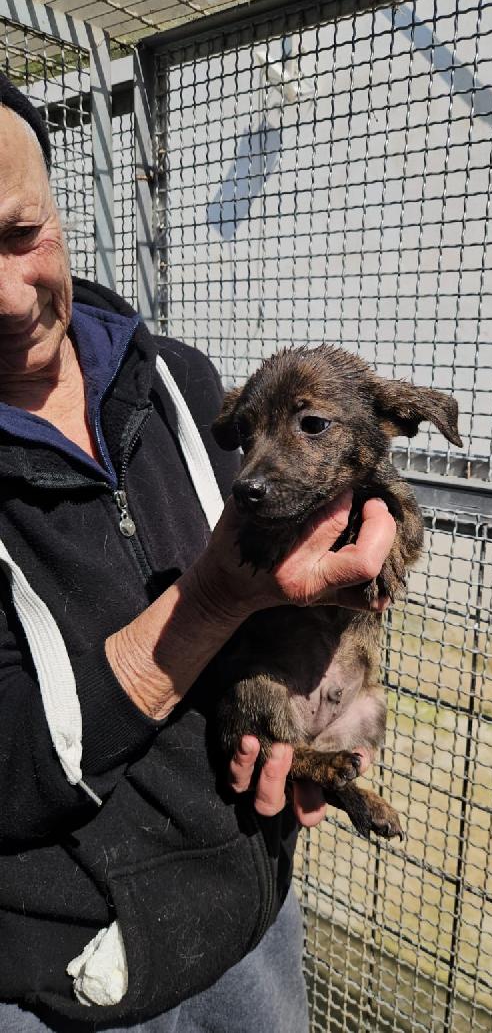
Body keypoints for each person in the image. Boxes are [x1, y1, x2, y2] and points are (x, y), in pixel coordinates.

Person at [0, 73, 396, 1032]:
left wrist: (355, 562)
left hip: (252, 903)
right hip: (76, 972)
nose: (10, 298)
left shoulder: (180, 379)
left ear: (57, 206)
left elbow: (297, 555)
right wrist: (214, 601)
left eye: (21, 234)